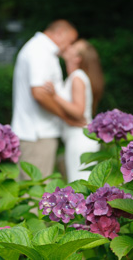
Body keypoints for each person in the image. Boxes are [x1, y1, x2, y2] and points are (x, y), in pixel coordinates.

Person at [11, 19, 82, 179]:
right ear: (59, 33)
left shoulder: (40, 49)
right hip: (37, 135)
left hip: (34, 133)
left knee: (29, 193)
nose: (69, 47)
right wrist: (65, 117)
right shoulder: (39, 51)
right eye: (70, 41)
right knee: (36, 197)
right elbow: (39, 93)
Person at [43, 39, 104, 182]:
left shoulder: (77, 77)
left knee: (80, 182)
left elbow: (78, 111)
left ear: (77, 58)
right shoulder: (75, 77)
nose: (68, 47)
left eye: (73, 48)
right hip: (77, 137)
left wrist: (54, 96)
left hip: (80, 139)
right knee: (80, 181)